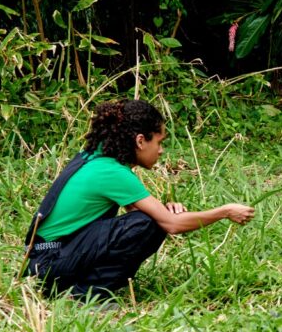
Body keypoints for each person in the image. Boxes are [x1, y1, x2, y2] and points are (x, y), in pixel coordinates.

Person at [22, 98, 255, 301]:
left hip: (42, 257)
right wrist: (224, 212)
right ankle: (85, 295)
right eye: (159, 142)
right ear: (141, 141)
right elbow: (168, 224)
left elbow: (140, 212)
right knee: (149, 225)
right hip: (46, 263)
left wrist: (166, 211)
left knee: (150, 221)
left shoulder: (98, 157)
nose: (161, 151)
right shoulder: (112, 172)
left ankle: (77, 288)